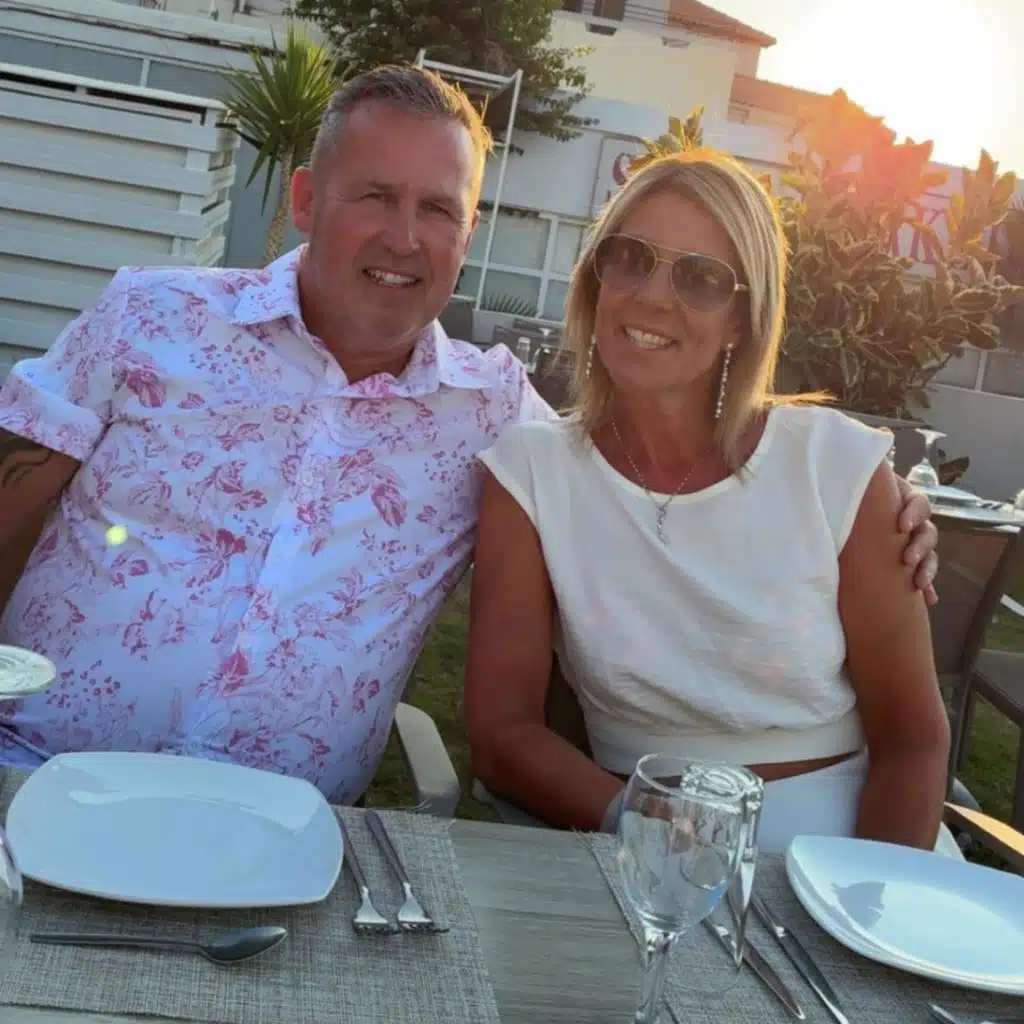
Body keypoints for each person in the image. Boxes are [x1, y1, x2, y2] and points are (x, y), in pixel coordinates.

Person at [0, 66, 938, 806]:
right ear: (305, 200)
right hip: (33, 775)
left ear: (469, 230)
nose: (404, 238)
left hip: (273, 831)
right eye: (375, 196)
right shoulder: (150, 318)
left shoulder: (492, 415)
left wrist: (886, 511)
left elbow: (638, 484)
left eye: (438, 209)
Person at [464, 148, 952, 854]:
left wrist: (869, 896)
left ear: (741, 322)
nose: (653, 297)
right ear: (596, 278)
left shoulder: (834, 467)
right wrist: (649, 834)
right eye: (630, 258)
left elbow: (912, 738)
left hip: (843, 851)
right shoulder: (531, 474)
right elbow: (502, 734)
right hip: (636, 850)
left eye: (700, 278)